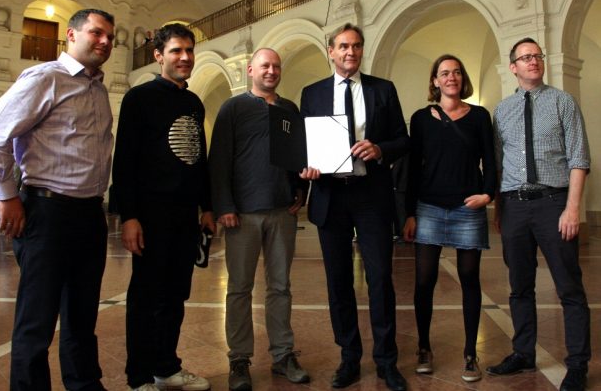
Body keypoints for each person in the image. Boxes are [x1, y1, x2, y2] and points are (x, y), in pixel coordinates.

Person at [0, 9, 115, 390]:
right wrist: (7, 197)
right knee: (37, 320)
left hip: (90, 213)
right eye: (96, 33)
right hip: (48, 211)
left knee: (82, 315)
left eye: (110, 37)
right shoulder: (45, 79)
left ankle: (84, 384)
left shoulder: (98, 88)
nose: (105, 41)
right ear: (71, 35)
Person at [299, 23, 410, 391]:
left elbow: (402, 140)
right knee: (338, 282)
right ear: (330, 51)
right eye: (344, 46)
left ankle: (386, 360)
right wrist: (308, 168)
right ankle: (349, 358)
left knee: (380, 279)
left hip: (371, 194)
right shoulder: (311, 93)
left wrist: (380, 149)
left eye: (357, 46)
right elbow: (305, 145)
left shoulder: (383, 89)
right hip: (331, 195)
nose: (351, 52)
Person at [112, 23, 214, 391]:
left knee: (175, 295)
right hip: (151, 215)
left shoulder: (193, 102)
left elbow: (199, 158)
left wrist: (207, 206)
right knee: (146, 297)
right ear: (159, 55)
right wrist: (130, 216)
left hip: (185, 217)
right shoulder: (138, 99)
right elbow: (124, 161)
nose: (185, 57)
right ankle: (139, 377)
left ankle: (167, 367)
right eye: (176, 51)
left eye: (189, 50)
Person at [487, 37, 590, 391]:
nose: (533, 61)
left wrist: (572, 208)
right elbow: (499, 164)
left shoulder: (563, 102)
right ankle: (523, 352)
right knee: (519, 287)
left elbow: (579, 158)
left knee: (569, 287)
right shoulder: (502, 110)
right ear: (513, 67)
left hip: (554, 204)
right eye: (525, 57)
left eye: (537, 56)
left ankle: (577, 364)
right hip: (514, 206)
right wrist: (500, 209)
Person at [209, 47, 310, 391]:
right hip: (243, 213)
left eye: (276, 66)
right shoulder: (233, 108)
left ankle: (282, 355)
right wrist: (223, 205)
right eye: (265, 65)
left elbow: (299, 155)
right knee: (239, 288)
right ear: (250, 70)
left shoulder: (289, 109)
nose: (271, 71)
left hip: (282, 210)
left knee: (281, 286)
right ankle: (239, 360)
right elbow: (219, 159)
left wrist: (301, 190)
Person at [402, 54, 496, 382]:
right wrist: (410, 213)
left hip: (467, 207)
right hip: (428, 206)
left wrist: (488, 194)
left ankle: (470, 353)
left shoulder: (480, 116)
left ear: (462, 78)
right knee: (425, 280)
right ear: (435, 81)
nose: (451, 77)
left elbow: (491, 158)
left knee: (470, 279)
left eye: (456, 71)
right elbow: (413, 168)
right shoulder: (421, 118)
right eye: (444, 73)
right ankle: (424, 348)